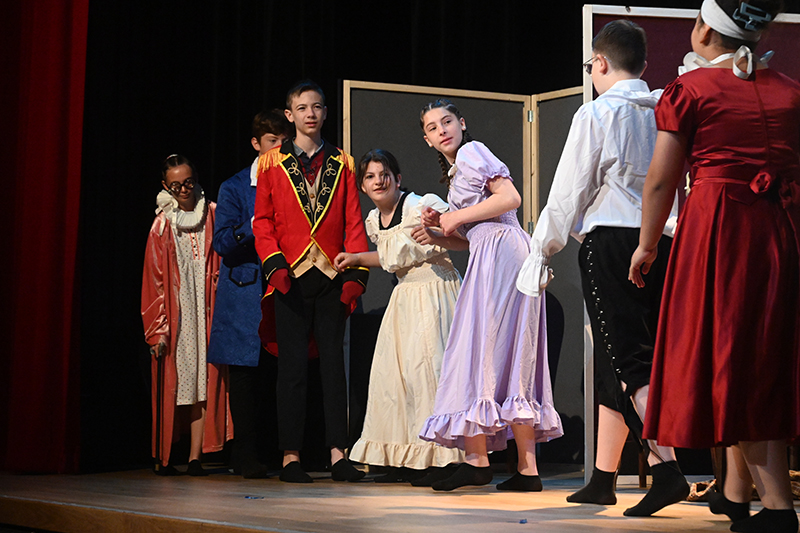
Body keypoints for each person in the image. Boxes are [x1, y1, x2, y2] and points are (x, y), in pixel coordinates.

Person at [628, 1, 800, 531]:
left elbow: (661, 179)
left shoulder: (692, 89)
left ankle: (778, 509)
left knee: (733, 358)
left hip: (720, 231)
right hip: (781, 232)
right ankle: (733, 492)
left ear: (704, 29)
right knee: (757, 354)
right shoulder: (790, 92)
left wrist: (647, 244)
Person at [517, 20, 689, 516]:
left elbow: (569, 188)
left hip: (613, 243)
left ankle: (667, 469)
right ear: (644, 64)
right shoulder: (663, 108)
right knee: (622, 359)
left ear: (600, 63)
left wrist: (541, 251)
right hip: (664, 241)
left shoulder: (598, 112)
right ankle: (603, 477)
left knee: (628, 360)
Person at [413, 99, 563, 492]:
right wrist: (440, 232)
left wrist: (455, 217)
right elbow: (473, 237)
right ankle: (518, 468)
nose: (442, 130)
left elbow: (510, 199)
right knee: (504, 352)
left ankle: (480, 461)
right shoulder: (456, 173)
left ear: (461, 123)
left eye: (447, 121)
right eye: (433, 127)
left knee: (482, 348)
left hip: (504, 255)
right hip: (492, 253)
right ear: (427, 139)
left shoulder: (472, 152)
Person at [254, 80, 370, 483]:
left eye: (317, 107)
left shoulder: (343, 162)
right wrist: (275, 265)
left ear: (325, 112)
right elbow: (262, 221)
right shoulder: (271, 163)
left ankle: (338, 453)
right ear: (290, 115)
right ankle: (291, 456)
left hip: (332, 274)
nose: (310, 114)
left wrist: (356, 273)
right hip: (290, 275)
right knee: (292, 369)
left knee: (334, 367)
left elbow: (353, 219)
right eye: (302, 108)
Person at [334, 149, 466, 482]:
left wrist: (438, 233)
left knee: (431, 373)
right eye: (370, 177)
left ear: (397, 179)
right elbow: (392, 256)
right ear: (363, 186)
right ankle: (405, 457)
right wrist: (356, 258)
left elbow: (464, 235)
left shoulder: (421, 205)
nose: (378, 181)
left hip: (436, 291)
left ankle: (442, 457)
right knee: (397, 377)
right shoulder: (373, 221)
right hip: (405, 295)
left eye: (384, 175)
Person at [207, 110, 292, 479]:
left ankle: (283, 452)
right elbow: (222, 242)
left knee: (281, 373)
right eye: (272, 142)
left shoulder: (294, 182)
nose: (279, 149)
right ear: (257, 144)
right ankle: (245, 452)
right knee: (244, 375)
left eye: (284, 142)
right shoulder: (235, 186)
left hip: (281, 287)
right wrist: (255, 223)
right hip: (244, 292)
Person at [141, 154, 232, 476]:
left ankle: (195, 457)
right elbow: (154, 281)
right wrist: (157, 330)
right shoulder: (162, 224)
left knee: (204, 384)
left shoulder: (212, 214)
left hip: (207, 312)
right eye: (176, 185)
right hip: (178, 316)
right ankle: (165, 456)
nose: (183, 190)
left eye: (188, 182)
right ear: (166, 186)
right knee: (177, 384)